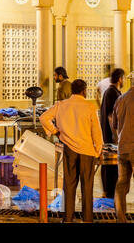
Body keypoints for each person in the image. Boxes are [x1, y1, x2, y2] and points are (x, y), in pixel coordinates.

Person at [40, 79, 103, 223]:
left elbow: (44, 118)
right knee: (87, 186)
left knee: (69, 185)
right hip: (87, 151)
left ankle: (67, 218)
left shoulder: (61, 105)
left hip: (69, 150)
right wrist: (98, 149)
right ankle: (87, 219)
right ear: (84, 90)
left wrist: (55, 132)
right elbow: (96, 132)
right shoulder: (89, 107)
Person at [112, 71, 134, 223]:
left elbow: (114, 126)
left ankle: (121, 219)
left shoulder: (120, 99)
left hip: (122, 147)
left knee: (121, 185)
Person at [100, 68, 124, 198]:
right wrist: (116, 136)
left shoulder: (110, 92)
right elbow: (111, 117)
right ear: (120, 79)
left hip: (108, 135)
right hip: (111, 137)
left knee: (109, 165)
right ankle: (109, 194)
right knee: (111, 167)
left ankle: (108, 193)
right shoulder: (113, 93)